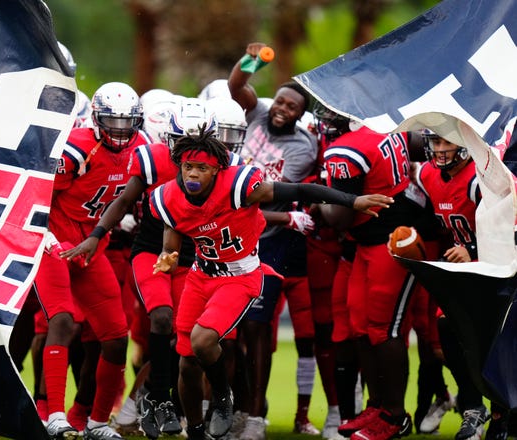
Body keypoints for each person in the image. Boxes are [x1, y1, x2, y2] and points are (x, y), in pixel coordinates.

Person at [149, 127, 393, 440]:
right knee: (186, 364)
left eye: (202, 168)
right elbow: (172, 239)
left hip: (239, 276)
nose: (193, 174)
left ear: (218, 170)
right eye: (188, 167)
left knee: (202, 341)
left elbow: (302, 191)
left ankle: (223, 396)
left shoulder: (241, 187)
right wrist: (167, 256)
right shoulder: (169, 196)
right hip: (201, 275)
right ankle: (196, 431)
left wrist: (352, 199)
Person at [67, 97, 222, 439]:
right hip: (151, 251)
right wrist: (96, 235)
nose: (188, 152)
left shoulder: (222, 167)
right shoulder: (152, 159)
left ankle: (171, 402)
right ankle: (162, 401)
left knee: (191, 338)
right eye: (181, 142)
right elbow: (122, 200)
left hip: (193, 258)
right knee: (161, 318)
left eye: (196, 144)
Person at [36, 81, 151, 440]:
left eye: (126, 123)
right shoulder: (76, 148)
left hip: (93, 245)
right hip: (56, 238)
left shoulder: (142, 148)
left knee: (116, 338)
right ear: (96, 119)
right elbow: (38, 192)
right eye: (111, 122)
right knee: (63, 321)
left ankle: (96, 421)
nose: (119, 131)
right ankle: (54, 415)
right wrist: (47, 236)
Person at [312, 101, 427, 440]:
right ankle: (376, 407)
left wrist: (318, 195)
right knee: (362, 326)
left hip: (387, 242)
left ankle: (394, 416)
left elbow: (340, 219)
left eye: (332, 115)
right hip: (368, 242)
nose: (326, 122)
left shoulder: (345, 150)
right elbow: (417, 145)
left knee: (383, 329)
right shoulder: (383, 127)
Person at [227, 41, 322, 439]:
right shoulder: (258, 112)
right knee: (227, 329)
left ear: (300, 116)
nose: (282, 109)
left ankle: (253, 417)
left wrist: (276, 215)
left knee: (257, 327)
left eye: (292, 108)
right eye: (281, 102)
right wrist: (250, 60)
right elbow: (236, 87)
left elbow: (258, 200)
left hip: (267, 239)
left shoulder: (302, 147)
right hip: (229, 236)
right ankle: (237, 403)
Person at [413, 130, 503, 440]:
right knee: (447, 330)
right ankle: (473, 407)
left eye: (446, 142)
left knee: (493, 343)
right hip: (464, 274)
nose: (439, 149)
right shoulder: (427, 174)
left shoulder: (481, 178)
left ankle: (500, 414)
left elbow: (508, 225)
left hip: (497, 268)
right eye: (435, 142)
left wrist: (474, 250)